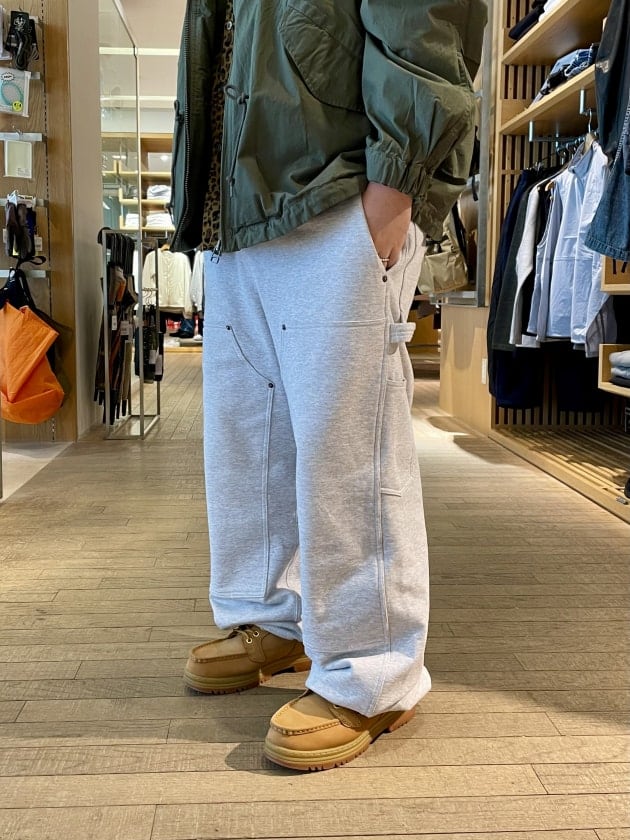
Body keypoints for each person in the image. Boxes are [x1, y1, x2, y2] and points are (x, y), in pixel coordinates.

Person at [170, 0, 486, 771]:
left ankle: (373, 671)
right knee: (247, 442)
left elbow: (427, 18)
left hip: (339, 186)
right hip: (238, 204)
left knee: (347, 449)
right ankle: (274, 618)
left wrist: (395, 188)